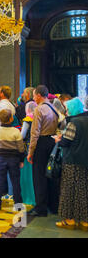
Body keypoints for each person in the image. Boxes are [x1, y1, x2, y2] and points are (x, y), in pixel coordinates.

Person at [55, 97, 88, 231]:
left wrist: (58, 139)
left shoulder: (74, 123)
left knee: (69, 190)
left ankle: (69, 220)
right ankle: (85, 221)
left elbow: (66, 142)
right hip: (85, 160)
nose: (66, 111)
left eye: (68, 109)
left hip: (72, 161)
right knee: (83, 191)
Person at [27, 85, 60, 217]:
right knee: (51, 174)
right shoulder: (54, 107)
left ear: (39, 95)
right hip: (52, 141)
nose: (33, 98)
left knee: (39, 176)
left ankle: (40, 208)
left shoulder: (39, 109)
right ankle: (53, 206)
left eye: (34, 95)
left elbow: (34, 133)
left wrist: (30, 152)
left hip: (41, 143)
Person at [0, 109, 26, 210]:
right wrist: (21, 160)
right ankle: (18, 205)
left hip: (1, 158)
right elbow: (21, 148)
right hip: (14, 159)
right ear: (11, 119)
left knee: (0, 181)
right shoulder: (16, 131)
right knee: (15, 182)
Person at [20, 101, 37, 206]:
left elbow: (22, 135)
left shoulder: (27, 120)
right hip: (36, 148)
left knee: (27, 174)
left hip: (27, 149)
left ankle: (28, 197)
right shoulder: (38, 117)